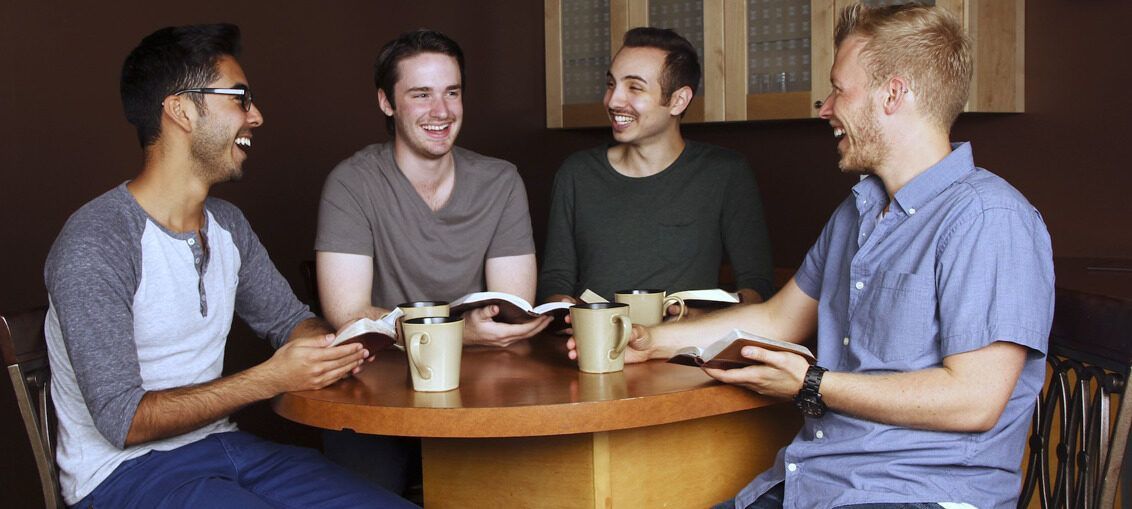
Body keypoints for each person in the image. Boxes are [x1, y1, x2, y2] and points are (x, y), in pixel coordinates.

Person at [570, 4, 1054, 508]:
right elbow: (777, 318)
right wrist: (650, 341)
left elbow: (974, 401)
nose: (824, 108)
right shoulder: (857, 211)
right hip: (819, 485)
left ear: (893, 93)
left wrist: (811, 384)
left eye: (839, 89)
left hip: (920, 495)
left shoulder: (988, 218)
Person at [43, 24, 415, 508]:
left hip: (225, 449)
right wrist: (273, 377)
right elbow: (124, 418)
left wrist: (335, 347)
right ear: (180, 110)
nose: (256, 116)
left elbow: (288, 322)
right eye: (239, 98)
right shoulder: (98, 239)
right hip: (123, 476)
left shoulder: (227, 225)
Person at [314, 29, 549, 494]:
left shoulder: (501, 181)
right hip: (378, 391)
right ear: (386, 102)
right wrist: (462, 331)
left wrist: (483, 332)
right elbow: (348, 314)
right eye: (421, 94)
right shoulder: (351, 183)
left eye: (452, 93)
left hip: (479, 389)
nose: (441, 111)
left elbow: (511, 304)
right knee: (361, 498)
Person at [538, 27, 774, 306]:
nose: (613, 101)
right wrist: (567, 310)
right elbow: (555, 281)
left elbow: (757, 285)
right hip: (597, 344)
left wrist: (703, 315)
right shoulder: (576, 172)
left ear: (678, 101)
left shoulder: (725, 172)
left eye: (634, 87)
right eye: (611, 84)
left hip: (685, 345)